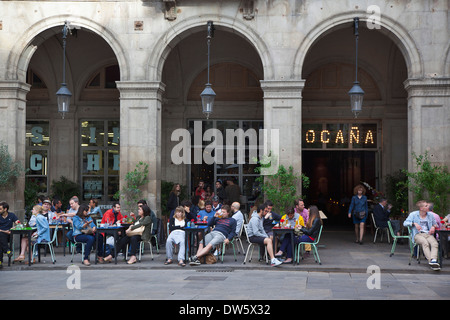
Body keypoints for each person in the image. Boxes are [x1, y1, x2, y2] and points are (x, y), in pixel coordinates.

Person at [403, 200, 440, 271]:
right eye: (426, 206)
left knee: (434, 243)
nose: (428, 206)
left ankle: (434, 260)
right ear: (421, 208)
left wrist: (433, 226)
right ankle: (431, 261)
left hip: (427, 234)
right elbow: (405, 223)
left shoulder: (430, 215)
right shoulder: (413, 214)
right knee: (424, 242)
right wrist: (414, 224)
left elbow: (435, 223)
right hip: (418, 235)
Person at [0, 201, 18, 268]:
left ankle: (0, 261)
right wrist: (5, 231)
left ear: (5, 209)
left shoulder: (12, 215)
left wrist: (14, 227)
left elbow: (18, 223)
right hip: (3, 233)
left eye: (0, 209)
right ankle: (7, 250)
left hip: (8, 236)